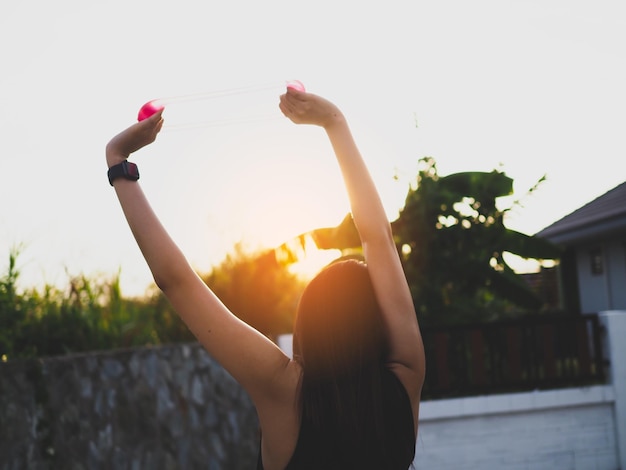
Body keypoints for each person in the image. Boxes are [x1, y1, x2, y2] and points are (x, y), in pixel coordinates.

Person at [105, 87, 426, 470]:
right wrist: (334, 122)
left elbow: (177, 281)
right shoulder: (406, 375)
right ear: (379, 325)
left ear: (309, 320)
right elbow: (378, 239)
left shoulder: (284, 391)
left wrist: (118, 161)